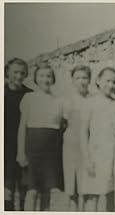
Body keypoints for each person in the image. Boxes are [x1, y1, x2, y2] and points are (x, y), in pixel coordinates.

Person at [80, 67, 115, 211]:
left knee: (114, 190)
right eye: (107, 81)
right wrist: (86, 158)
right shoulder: (89, 102)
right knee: (94, 192)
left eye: (114, 82)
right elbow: (83, 132)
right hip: (97, 151)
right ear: (98, 80)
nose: (111, 85)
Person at [17, 64, 64, 211]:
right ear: (36, 78)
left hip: (52, 150)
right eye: (42, 76)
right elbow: (22, 127)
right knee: (32, 190)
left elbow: (62, 127)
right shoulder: (28, 98)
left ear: (53, 79)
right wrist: (21, 152)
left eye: (49, 76)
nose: (45, 79)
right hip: (33, 147)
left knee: (49, 190)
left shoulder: (59, 100)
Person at [62, 65, 92, 211]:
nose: (81, 81)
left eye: (84, 78)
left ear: (90, 80)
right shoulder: (67, 100)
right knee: (71, 186)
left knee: (86, 185)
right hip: (71, 145)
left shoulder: (94, 99)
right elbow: (63, 122)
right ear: (72, 81)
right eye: (77, 78)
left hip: (88, 145)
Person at [4, 58, 32, 211]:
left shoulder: (30, 95)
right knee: (7, 186)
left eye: (22, 73)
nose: (19, 76)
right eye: (15, 72)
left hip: (24, 146)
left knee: (23, 186)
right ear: (7, 72)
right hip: (5, 147)